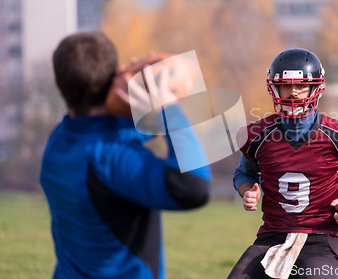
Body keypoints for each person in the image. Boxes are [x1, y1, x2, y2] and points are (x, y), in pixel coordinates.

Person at [40, 32, 211, 279]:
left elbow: (108, 129)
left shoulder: (59, 140)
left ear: (59, 86)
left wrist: (133, 96)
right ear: (113, 77)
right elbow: (194, 186)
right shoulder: (110, 158)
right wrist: (169, 110)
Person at [228, 48, 338, 279]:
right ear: (274, 87)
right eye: (286, 85)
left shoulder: (337, 135)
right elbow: (243, 173)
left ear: (315, 88)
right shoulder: (259, 136)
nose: (293, 93)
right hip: (273, 234)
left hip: (322, 235)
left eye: (301, 85)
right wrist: (247, 191)